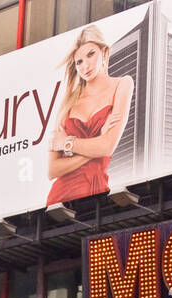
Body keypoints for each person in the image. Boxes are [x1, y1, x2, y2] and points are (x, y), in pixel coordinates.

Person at [45, 24, 134, 205]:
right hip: (60, 200)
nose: (85, 65)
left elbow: (108, 147)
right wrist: (98, 139)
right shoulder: (67, 103)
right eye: (79, 62)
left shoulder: (123, 84)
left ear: (104, 52)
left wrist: (68, 143)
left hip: (97, 191)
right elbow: (52, 170)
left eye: (91, 54)